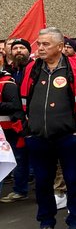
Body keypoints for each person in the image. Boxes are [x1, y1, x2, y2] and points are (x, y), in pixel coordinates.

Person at [22, 27, 76, 229]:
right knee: (42, 182)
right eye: (39, 44)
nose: (40, 48)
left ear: (59, 47)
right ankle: (46, 222)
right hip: (38, 137)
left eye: (45, 44)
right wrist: (27, 131)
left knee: (73, 180)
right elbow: (22, 101)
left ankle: (75, 224)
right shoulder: (32, 69)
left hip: (68, 138)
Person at [0, 38, 32, 203]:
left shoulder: (32, 68)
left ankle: (21, 190)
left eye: (22, 47)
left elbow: (15, 104)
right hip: (14, 123)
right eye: (15, 48)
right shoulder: (12, 70)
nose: (18, 50)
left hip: (20, 124)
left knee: (20, 158)